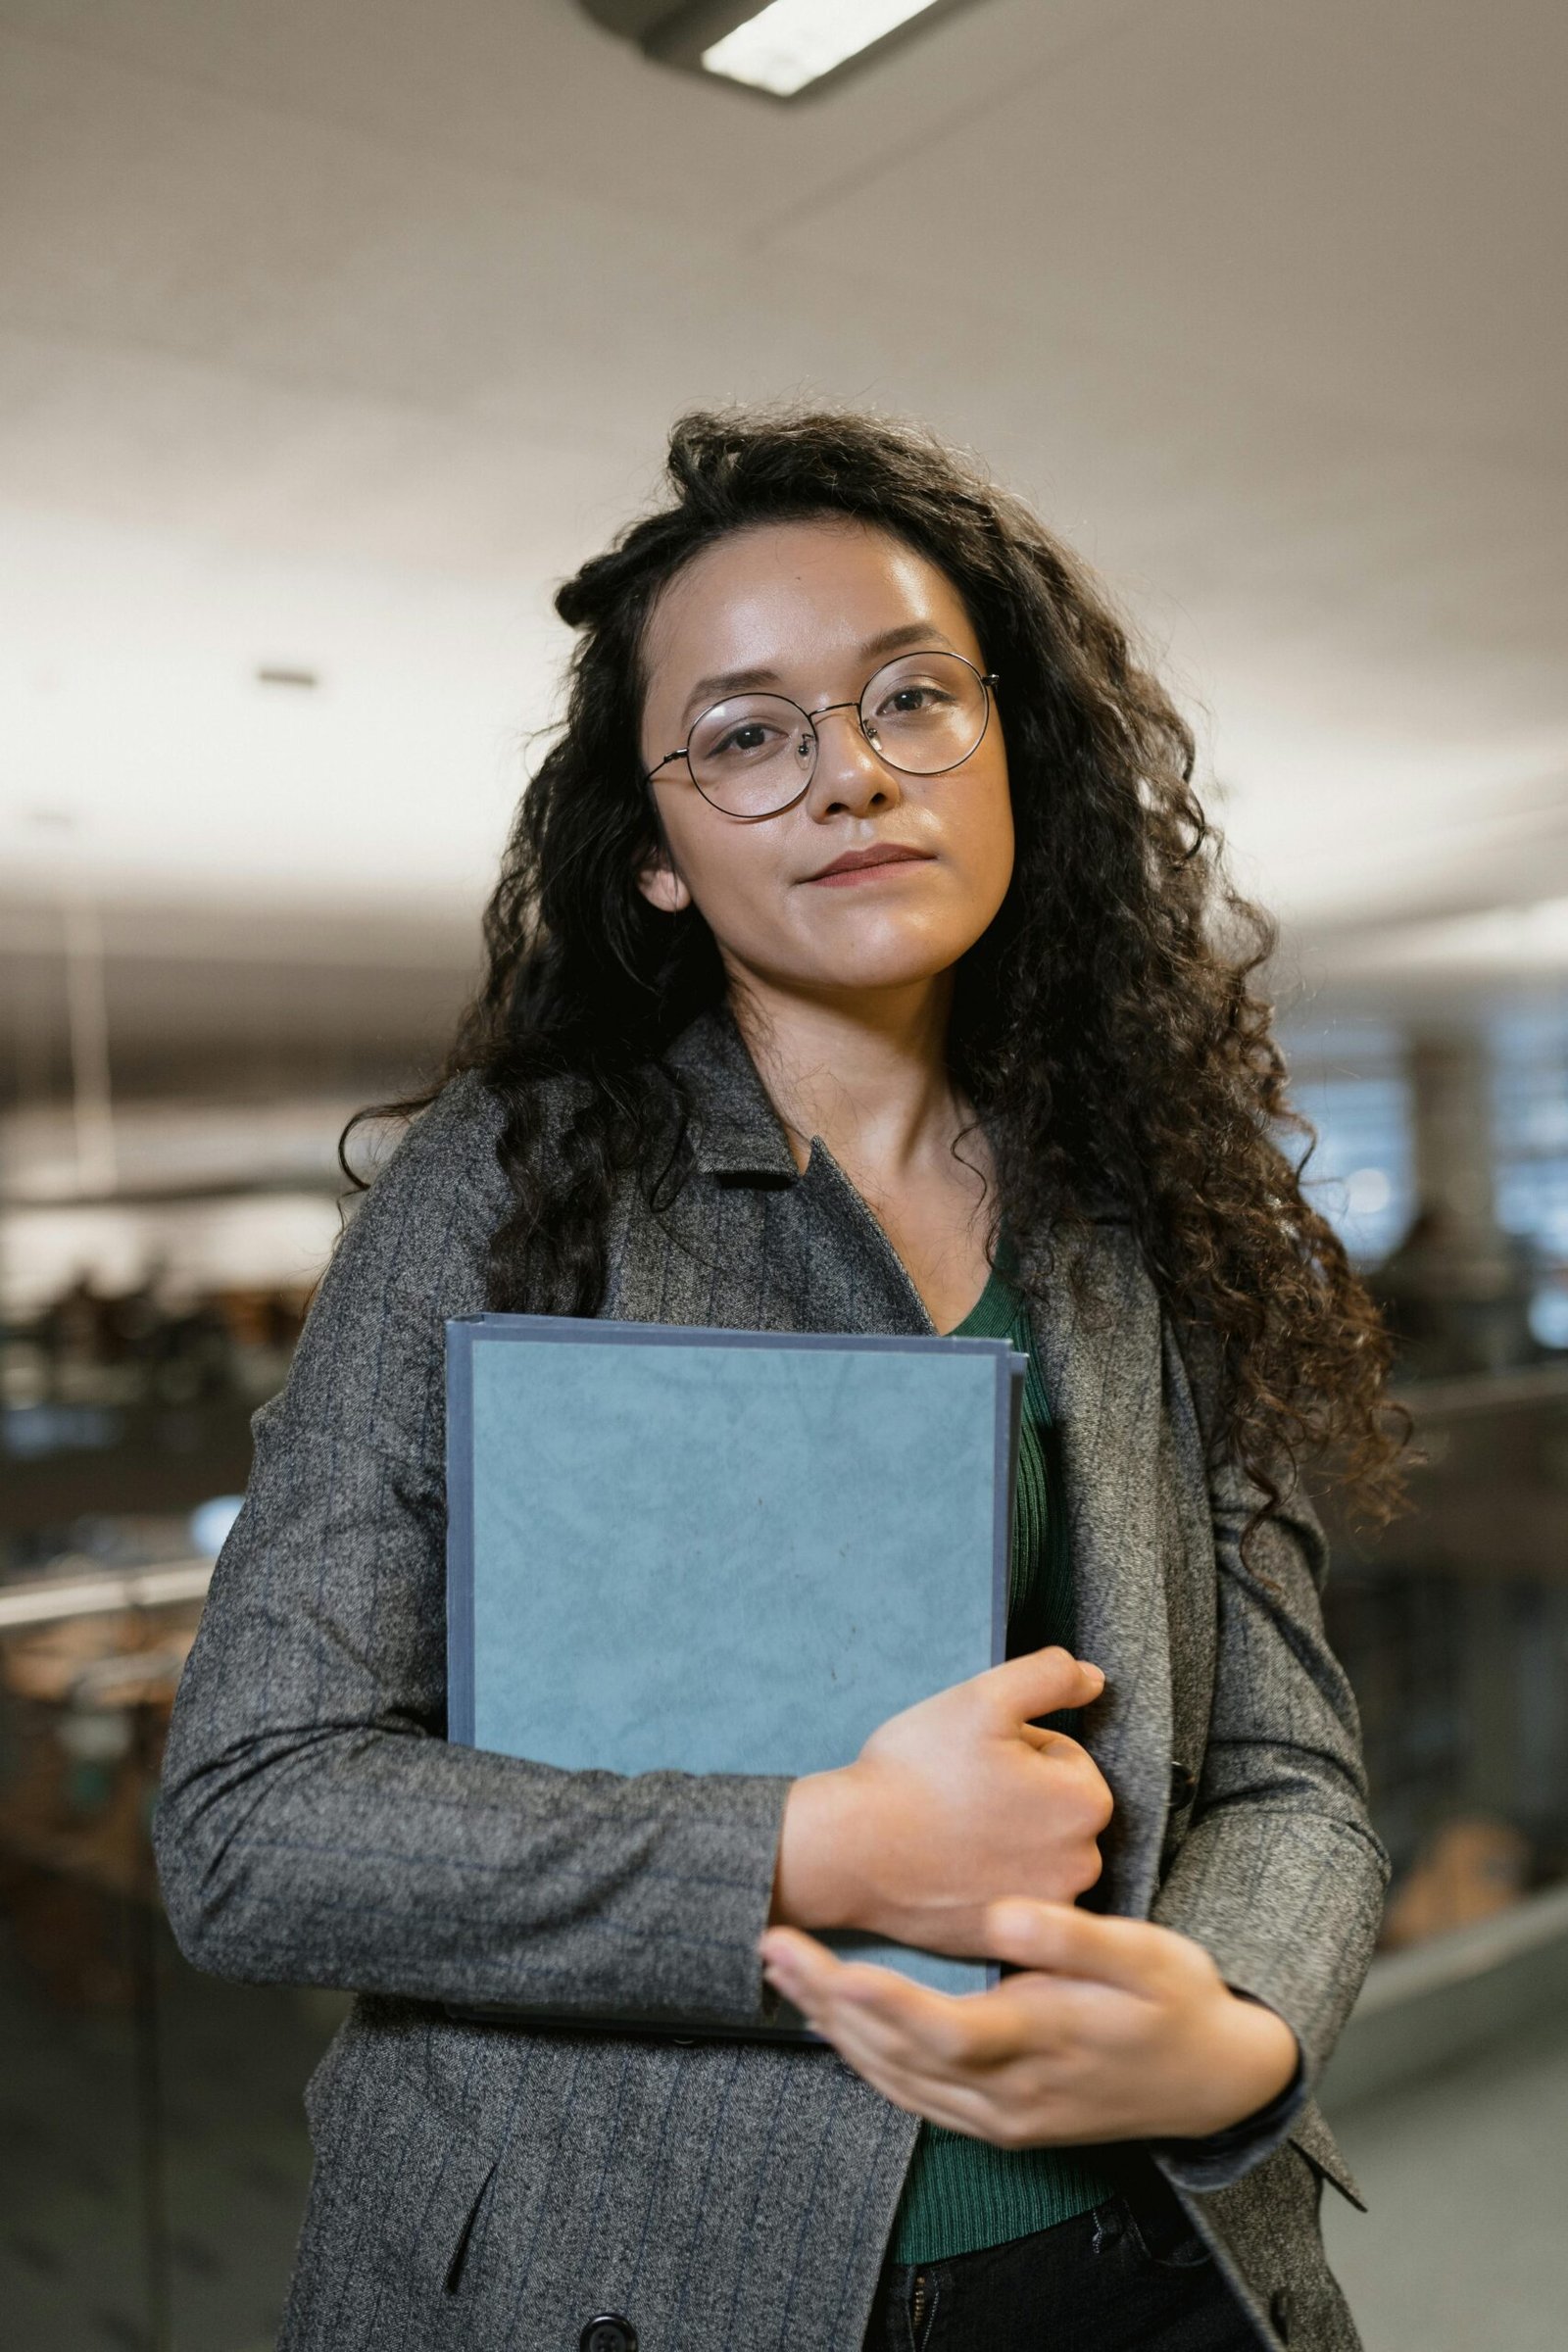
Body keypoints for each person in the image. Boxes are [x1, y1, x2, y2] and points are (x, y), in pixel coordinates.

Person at [155, 409, 1401, 2352]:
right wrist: (815, 1846)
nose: (849, 775)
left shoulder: (1150, 1207)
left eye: (913, 697)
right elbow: (252, 1825)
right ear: (651, 854)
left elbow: (1283, 1767)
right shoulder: (507, 1191)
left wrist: (1231, 2026)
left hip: (1139, 2268)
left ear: (1014, 760)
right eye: (746, 733)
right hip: (621, 2282)